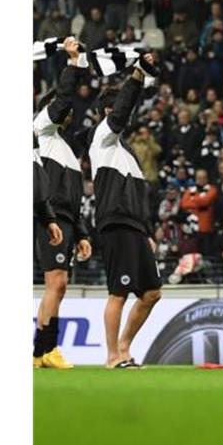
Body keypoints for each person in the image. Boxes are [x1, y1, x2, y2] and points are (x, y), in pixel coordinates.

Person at [88, 53, 164, 369]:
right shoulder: (102, 137)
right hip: (116, 223)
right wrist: (137, 76)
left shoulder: (126, 151)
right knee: (118, 292)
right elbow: (120, 112)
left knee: (152, 293)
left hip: (134, 227)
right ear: (106, 113)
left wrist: (147, 232)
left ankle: (124, 348)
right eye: (115, 110)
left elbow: (139, 196)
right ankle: (110, 357)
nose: (123, 115)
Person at [32, 37, 93, 369]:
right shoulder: (39, 128)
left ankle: (39, 353)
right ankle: (47, 348)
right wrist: (74, 63)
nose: (67, 110)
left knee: (57, 284)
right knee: (57, 281)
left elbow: (75, 198)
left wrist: (82, 233)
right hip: (48, 218)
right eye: (60, 106)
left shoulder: (67, 149)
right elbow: (64, 96)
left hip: (67, 220)